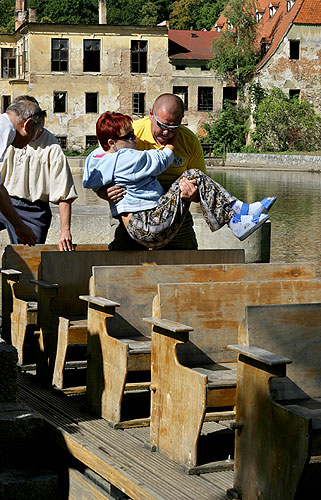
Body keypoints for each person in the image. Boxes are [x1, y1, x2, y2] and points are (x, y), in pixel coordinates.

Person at [83, 111, 276, 249]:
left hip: (154, 215)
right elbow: (163, 158)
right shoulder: (129, 156)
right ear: (151, 115)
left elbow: (92, 175)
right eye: (129, 136)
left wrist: (100, 187)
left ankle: (238, 213)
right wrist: (174, 138)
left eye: (173, 127)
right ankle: (238, 215)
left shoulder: (98, 158)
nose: (134, 139)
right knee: (193, 175)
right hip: (145, 223)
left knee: (194, 179)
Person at [95, 94, 209, 250]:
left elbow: (201, 189)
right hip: (132, 213)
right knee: (120, 263)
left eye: (173, 128)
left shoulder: (190, 141)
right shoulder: (130, 134)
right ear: (150, 115)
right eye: (162, 126)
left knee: (187, 263)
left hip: (176, 216)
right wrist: (102, 191)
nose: (166, 133)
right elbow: (98, 165)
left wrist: (193, 195)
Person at [0, 96, 78, 250]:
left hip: (33, 210)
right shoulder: (8, 135)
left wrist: (65, 230)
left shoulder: (52, 147)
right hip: (5, 199)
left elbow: (64, 192)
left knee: (29, 255)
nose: (34, 135)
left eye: (39, 130)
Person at [0, 97, 46, 245]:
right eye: (36, 133)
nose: (32, 140)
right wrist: (20, 226)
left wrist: (17, 224)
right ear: (28, 124)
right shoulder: (4, 132)